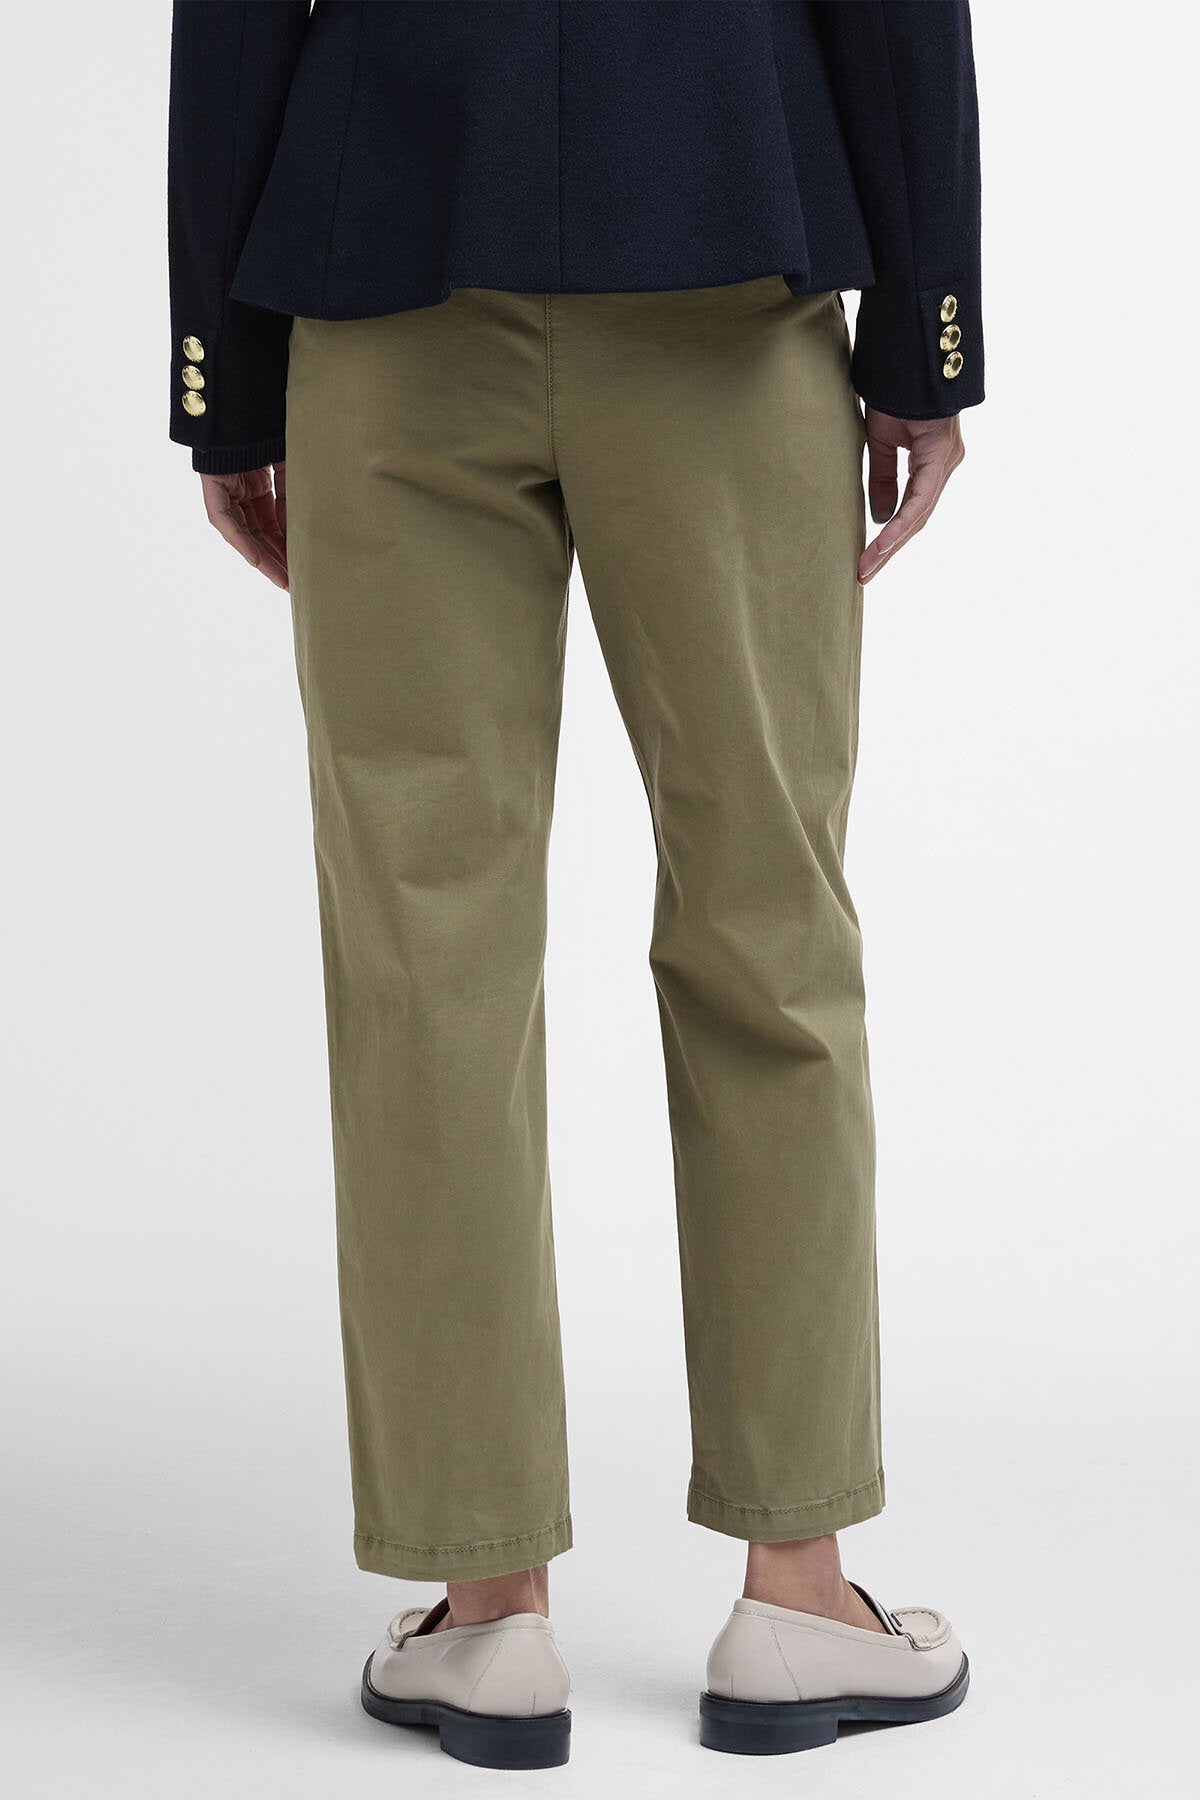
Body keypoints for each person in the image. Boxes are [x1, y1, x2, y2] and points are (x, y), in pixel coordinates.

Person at [167, 0, 983, 1771]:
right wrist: (929, 331)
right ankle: (798, 1594)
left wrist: (219, 369)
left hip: (387, 263)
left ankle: (486, 1617)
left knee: (425, 962)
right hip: (727, 245)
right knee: (768, 928)